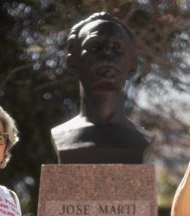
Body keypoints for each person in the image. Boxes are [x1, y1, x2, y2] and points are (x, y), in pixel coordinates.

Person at [50, 11, 152, 164]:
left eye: (117, 48)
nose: (107, 55)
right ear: (72, 62)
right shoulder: (63, 135)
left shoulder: (142, 140)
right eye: (95, 46)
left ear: (132, 65)